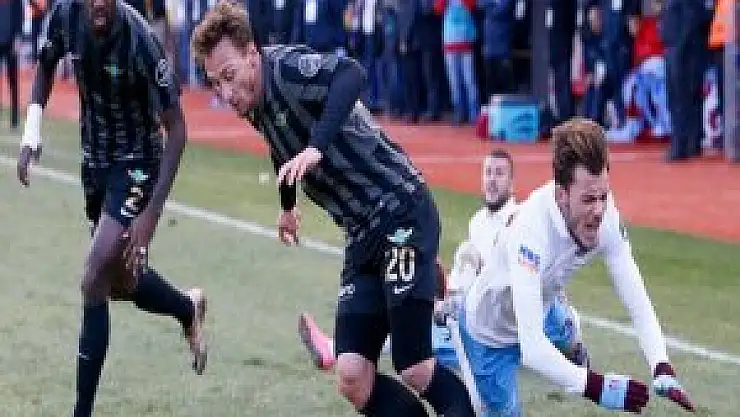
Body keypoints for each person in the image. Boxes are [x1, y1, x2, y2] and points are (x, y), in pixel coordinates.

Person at [191, 2, 477, 416]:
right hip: (362, 235)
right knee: (352, 375)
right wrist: (287, 206)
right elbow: (281, 145)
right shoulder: (253, 99)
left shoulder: (287, 69)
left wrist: (316, 147)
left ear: (252, 54)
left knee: (414, 365)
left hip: (400, 212)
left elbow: (351, 74)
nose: (226, 92)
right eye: (216, 83)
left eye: (229, 76)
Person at [15, 0, 207, 415]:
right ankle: (187, 308)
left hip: (138, 162)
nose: (99, 3)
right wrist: (31, 132)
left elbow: (177, 129)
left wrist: (151, 215)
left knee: (93, 276)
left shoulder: (140, 40)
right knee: (120, 280)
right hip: (95, 162)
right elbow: (45, 65)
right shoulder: (65, 16)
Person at [459, 118, 696, 415]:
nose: (599, 211)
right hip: (490, 333)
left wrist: (661, 366)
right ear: (561, 194)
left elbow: (636, 298)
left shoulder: (604, 213)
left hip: (542, 305)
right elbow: (532, 349)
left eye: (603, 196)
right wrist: (598, 387)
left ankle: (567, 333)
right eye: (588, 199)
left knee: (554, 315)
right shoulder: (530, 231)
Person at [298, 149, 589, 374]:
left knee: (429, 332)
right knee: (418, 327)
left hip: (516, 319)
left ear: (512, 183)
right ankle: (336, 350)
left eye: (499, 174)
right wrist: (446, 296)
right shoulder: (479, 222)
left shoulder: (520, 217)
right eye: (488, 173)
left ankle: (572, 346)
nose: (492, 180)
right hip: (483, 320)